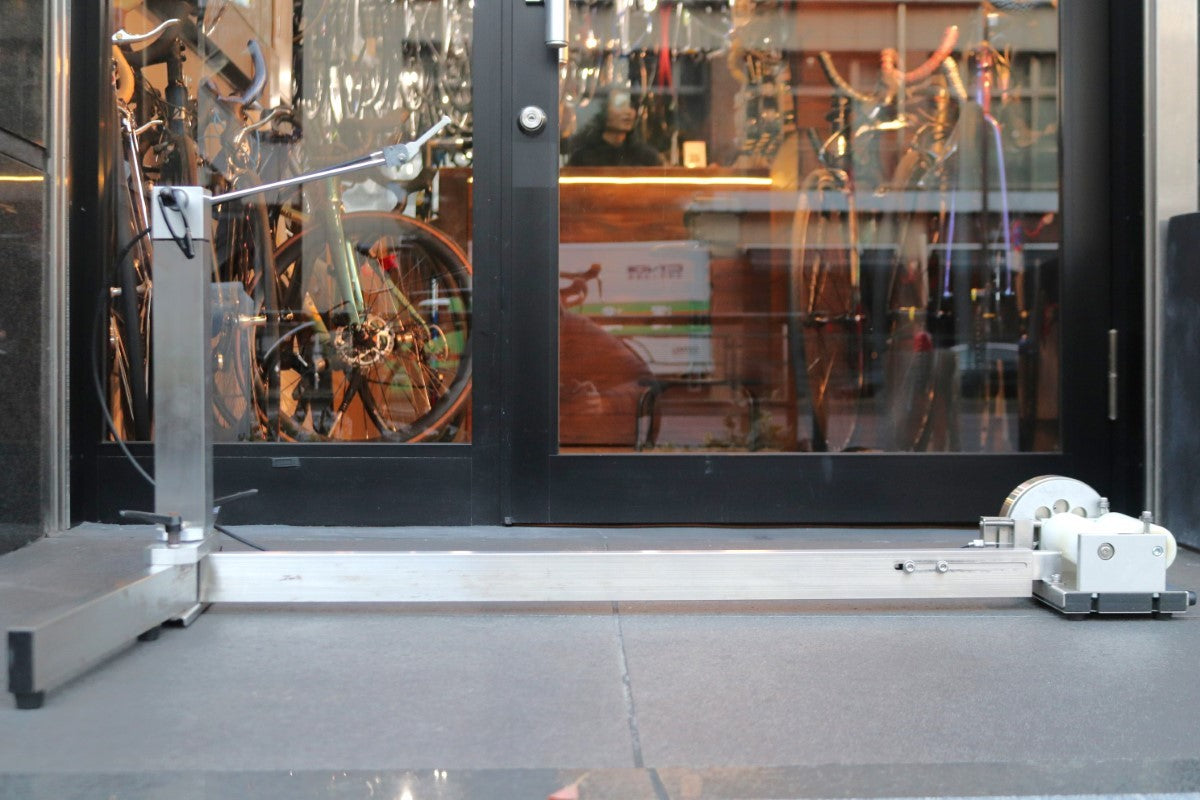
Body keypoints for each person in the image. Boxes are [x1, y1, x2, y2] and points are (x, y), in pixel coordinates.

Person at [566, 90, 662, 167]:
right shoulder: (583, 158)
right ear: (604, 111)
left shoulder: (647, 158)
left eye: (631, 106)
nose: (628, 111)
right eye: (620, 105)